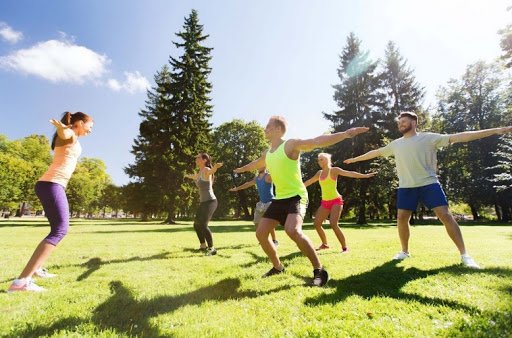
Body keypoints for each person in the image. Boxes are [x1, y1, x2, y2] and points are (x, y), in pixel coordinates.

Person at [344, 111, 512, 268]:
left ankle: (465, 255)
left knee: (445, 216)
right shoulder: (396, 144)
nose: (401, 124)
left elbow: (461, 137)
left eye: (404, 121)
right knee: (402, 218)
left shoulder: (429, 138)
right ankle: (404, 252)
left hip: (429, 184)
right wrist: (355, 159)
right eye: (399, 122)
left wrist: (496, 130)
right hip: (406, 186)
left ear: (414, 122)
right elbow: (375, 152)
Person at [234, 116, 368, 286]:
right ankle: (278, 267)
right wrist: (241, 169)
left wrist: (345, 134)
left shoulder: (290, 145)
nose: (265, 129)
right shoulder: (268, 153)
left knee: (293, 231)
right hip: (279, 198)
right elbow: (255, 164)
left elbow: (316, 141)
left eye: (268, 126)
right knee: (261, 233)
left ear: (277, 129)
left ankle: (319, 269)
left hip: (296, 196)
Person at [8, 112, 94, 292]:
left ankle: (36, 269)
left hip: (50, 185)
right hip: (52, 184)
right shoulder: (69, 135)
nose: (91, 130)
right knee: (60, 229)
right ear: (79, 123)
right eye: (89, 126)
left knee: (57, 229)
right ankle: (21, 282)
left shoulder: (73, 137)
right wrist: (63, 129)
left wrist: (65, 130)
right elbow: (66, 134)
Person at [303, 152, 376, 253]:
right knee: (316, 223)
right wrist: (297, 187)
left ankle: (344, 248)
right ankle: (325, 244)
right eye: (318, 159)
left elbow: (350, 173)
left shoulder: (334, 170)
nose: (319, 161)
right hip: (325, 202)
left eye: (321, 159)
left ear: (327, 160)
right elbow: (309, 182)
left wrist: (365, 176)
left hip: (336, 201)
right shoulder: (319, 173)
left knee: (333, 223)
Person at [229, 167, 279, 246]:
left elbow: (278, 177)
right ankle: (263, 239)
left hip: (270, 203)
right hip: (261, 203)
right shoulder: (257, 178)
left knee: (269, 223)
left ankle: (274, 240)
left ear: (265, 166)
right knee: (256, 222)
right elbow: (247, 184)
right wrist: (237, 189)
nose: (258, 167)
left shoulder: (268, 176)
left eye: (260, 165)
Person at [185, 153, 222, 256]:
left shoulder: (206, 169)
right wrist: (187, 175)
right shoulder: (200, 172)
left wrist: (215, 167)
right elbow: (195, 177)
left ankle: (212, 249)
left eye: (198, 158)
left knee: (203, 224)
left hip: (211, 201)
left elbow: (211, 171)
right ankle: (203, 246)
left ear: (204, 160)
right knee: (196, 224)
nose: (196, 159)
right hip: (203, 202)